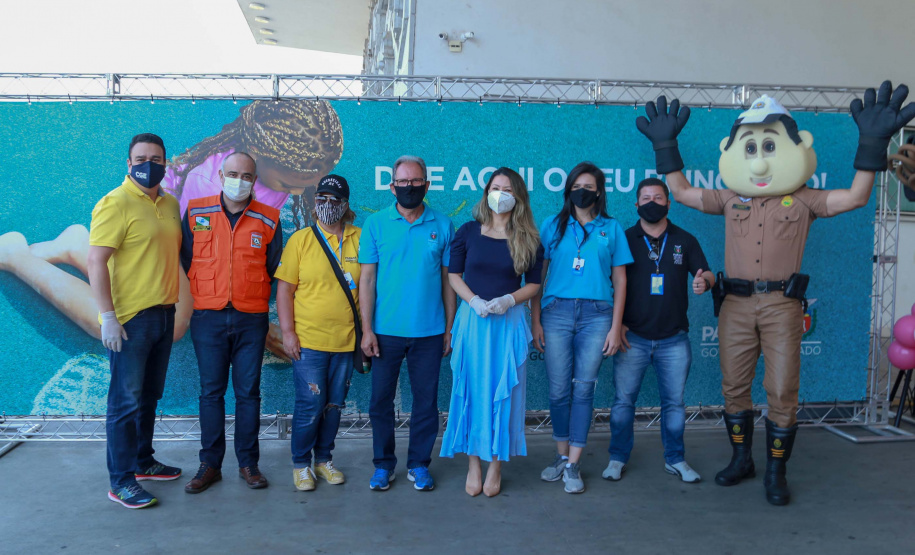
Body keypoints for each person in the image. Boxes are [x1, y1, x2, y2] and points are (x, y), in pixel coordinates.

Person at [635, 82, 915, 505]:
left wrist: (874, 143)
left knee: (782, 390)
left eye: (770, 147)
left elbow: (857, 197)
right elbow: (683, 192)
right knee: (734, 387)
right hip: (735, 306)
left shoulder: (805, 200)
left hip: (783, 306)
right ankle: (741, 459)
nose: (761, 161)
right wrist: (666, 145)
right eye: (750, 148)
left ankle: (776, 471)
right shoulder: (730, 198)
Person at [87, 133, 183, 509]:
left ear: (165, 163)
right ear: (128, 164)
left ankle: (143, 461)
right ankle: (121, 480)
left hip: (163, 314)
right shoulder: (115, 203)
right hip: (130, 320)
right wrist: (108, 317)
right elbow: (96, 261)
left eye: (156, 158)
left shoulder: (171, 204)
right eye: (141, 158)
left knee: (149, 396)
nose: (149, 164)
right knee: (124, 402)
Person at [180, 152, 282, 494]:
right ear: (222, 176)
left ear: (255, 181)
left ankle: (248, 464)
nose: (240, 180)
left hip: (251, 318)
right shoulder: (196, 211)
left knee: (248, 394)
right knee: (211, 393)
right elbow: (186, 258)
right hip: (207, 316)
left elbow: (273, 267)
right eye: (233, 173)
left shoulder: (269, 218)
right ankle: (209, 464)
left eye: (247, 176)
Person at [440, 168, 544, 497]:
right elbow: (453, 275)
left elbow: (535, 285)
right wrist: (473, 302)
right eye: (495, 188)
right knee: (470, 390)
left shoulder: (528, 237)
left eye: (507, 189)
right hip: (473, 323)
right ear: (486, 192)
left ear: (519, 197)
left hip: (509, 323)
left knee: (505, 395)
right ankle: (473, 463)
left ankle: (496, 465)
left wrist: (508, 299)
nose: (500, 194)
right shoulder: (468, 232)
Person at [604, 177, 714, 484]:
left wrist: (705, 281)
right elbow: (609, 285)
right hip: (632, 338)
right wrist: (617, 323)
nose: (652, 202)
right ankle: (617, 457)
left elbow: (705, 272)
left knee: (674, 404)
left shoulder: (685, 240)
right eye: (646, 198)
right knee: (623, 403)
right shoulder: (623, 239)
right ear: (636, 204)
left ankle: (675, 459)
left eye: (658, 197)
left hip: (674, 339)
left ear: (669, 202)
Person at [532, 161, 633, 494]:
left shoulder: (612, 228)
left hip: (597, 315)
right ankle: (561, 457)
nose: (583, 192)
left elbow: (620, 280)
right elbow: (537, 278)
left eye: (589, 187)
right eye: (578, 186)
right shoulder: (551, 226)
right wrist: (536, 320)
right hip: (556, 313)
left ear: (599, 192)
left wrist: (616, 326)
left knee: (583, 389)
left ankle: (574, 464)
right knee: (559, 391)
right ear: (568, 189)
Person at [359, 155, 456, 492]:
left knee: (426, 403)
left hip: (430, 332)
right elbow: (367, 280)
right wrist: (367, 329)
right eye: (403, 182)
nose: (410, 187)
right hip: (385, 332)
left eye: (416, 182)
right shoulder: (375, 224)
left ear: (427, 185)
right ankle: (383, 466)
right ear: (392, 186)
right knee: (380, 403)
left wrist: (450, 327)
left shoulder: (443, 225)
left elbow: (448, 282)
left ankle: (418, 464)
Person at [276, 174, 362, 492]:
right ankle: (301, 464)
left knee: (334, 404)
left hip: (346, 340)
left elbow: (366, 290)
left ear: (346, 205)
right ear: (315, 203)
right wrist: (288, 333)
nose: (328, 204)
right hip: (309, 340)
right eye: (322, 198)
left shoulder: (359, 238)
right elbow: (284, 291)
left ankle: (323, 460)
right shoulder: (300, 240)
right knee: (311, 404)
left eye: (335, 199)